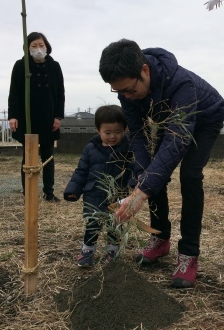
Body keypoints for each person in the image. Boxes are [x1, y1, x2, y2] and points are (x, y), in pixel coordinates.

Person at [99, 39, 224, 288]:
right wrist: (142, 179)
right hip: (169, 123)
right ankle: (160, 238)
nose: (126, 96)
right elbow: (136, 132)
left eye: (129, 90)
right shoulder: (128, 88)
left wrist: (141, 192)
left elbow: (175, 142)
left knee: (189, 175)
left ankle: (188, 253)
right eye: (119, 92)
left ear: (145, 71)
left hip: (204, 119)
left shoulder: (181, 84)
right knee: (149, 172)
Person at [64, 105, 133, 267]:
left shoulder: (128, 149)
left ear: (125, 129)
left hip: (118, 195)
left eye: (118, 132)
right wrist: (73, 190)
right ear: (98, 130)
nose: (113, 136)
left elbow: (134, 170)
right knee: (93, 224)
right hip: (93, 194)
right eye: (107, 133)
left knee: (114, 224)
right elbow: (81, 171)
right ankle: (87, 251)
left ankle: (113, 252)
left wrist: (136, 183)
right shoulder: (90, 149)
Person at [8, 32, 65, 202]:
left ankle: (49, 191)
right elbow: (14, 92)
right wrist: (13, 116)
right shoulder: (21, 66)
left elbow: (60, 93)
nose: (38, 49)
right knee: (29, 156)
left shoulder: (54, 66)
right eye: (34, 46)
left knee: (48, 155)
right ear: (27, 48)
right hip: (28, 117)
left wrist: (58, 117)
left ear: (47, 46)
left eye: (41, 45)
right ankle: (28, 192)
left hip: (48, 116)